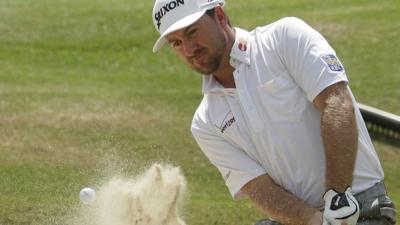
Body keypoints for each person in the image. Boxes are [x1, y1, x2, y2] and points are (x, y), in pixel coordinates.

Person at [151, 0, 397, 224]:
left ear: (220, 16)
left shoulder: (284, 38)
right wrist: (317, 220)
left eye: (192, 32)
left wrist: (338, 197)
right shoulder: (205, 123)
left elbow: (336, 103)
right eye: (176, 43)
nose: (189, 49)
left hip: (359, 205)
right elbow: (257, 188)